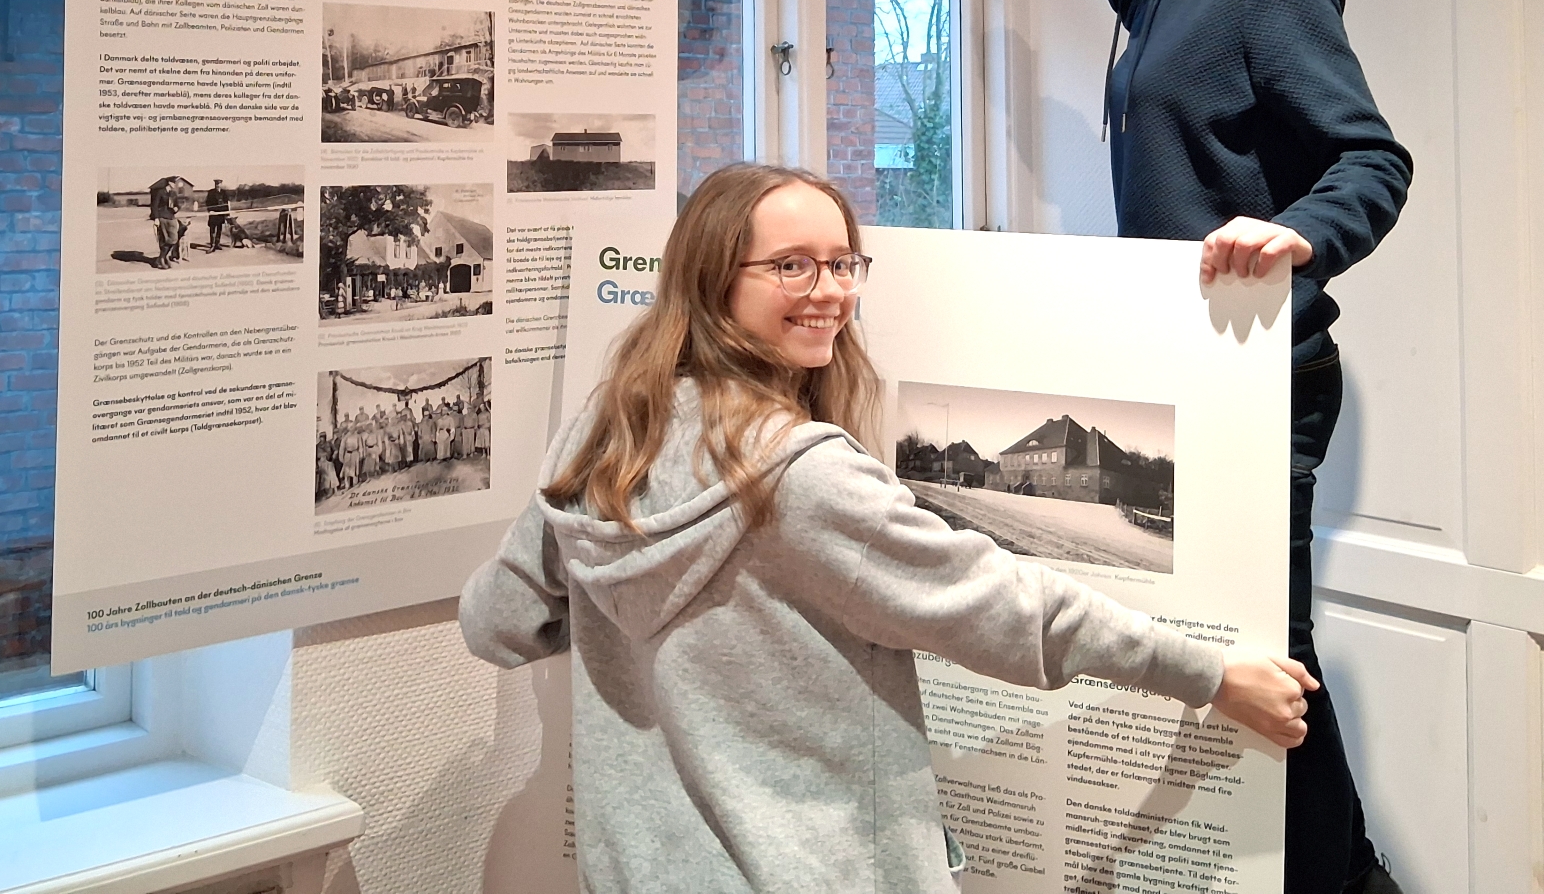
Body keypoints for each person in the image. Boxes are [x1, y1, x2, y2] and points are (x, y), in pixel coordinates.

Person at [459, 163, 1316, 894]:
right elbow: (1014, 608)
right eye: (792, 265)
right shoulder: (800, 473)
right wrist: (1209, 673)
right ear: (713, 279)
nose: (830, 291)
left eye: (841, 263)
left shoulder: (606, 434)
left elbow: (494, 621)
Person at [1027, 0, 1411, 894]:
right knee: (1233, 654)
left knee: (1260, 664)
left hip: (1258, 376)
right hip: (1186, 378)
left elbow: (1369, 158)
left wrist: (1301, 230)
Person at [204, 178, 230, 251]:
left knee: (219, 229)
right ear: (215, 184)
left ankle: (217, 244)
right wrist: (210, 210)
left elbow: (226, 203)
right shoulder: (211, 192)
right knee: (212, 229)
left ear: (221, 184)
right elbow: (207, 202)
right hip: (213, 214)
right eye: (216, 184)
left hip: (221, 214)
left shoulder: (224, 193)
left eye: (219, 184)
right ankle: (212, 245)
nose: (217, 185)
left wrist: (227, 213)